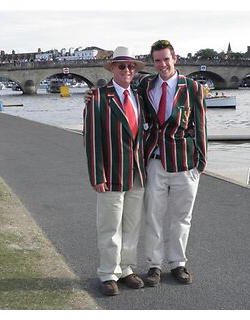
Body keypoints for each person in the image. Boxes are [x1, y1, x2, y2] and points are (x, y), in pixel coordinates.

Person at [140, 40, 207, 287]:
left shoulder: (192, 88)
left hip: (185, 162)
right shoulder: (145, 85)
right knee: (153, 216)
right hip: (155, 161)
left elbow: (201, 127)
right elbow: (119, 91)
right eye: (157, 60)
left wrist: (200, 162)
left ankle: (178, 263)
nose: (162, 64)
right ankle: (154, 265)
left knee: (182, 217)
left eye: (166, 59)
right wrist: (94, 97)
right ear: (153, 62)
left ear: (175, 58)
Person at [83, 46, 146, 296]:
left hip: (137, 173)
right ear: (112, 69)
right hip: (110, 173)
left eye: (131, 66)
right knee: (109, 227)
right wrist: (97, 175)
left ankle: (127, 269)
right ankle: (108, 273)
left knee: (132, 226)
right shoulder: (97, 97)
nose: (127, 70)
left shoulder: (139, 96)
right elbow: (92, 140)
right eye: (122, 66)